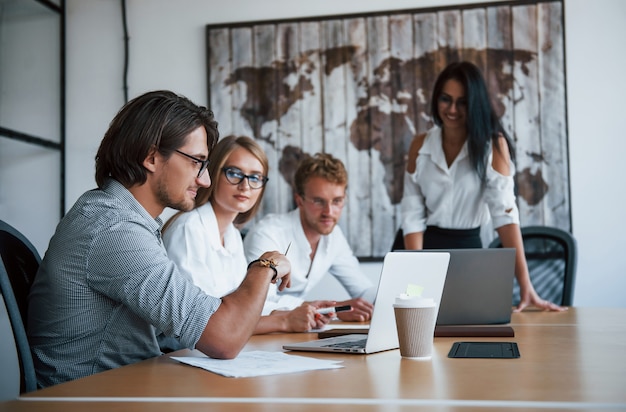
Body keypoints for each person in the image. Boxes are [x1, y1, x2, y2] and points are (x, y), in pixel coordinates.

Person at [27, 90, 291, 388]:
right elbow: (224, 337)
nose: (205, 180)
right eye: (197, 162)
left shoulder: (126, 220)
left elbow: (177, 328)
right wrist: (265, 265)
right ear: (151, 157)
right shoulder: (114, 229)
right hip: (89, 400)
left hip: (122, 389)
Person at [400, 61, 565, 312]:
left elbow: (505, 216)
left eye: (462, 102)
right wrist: (418, 274)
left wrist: (525, 284)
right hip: (420, 248)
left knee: (470, 324)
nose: (452, 109)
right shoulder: (420, 145)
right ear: (436, 99)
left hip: (467, 252)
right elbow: (412, 215)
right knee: (414, 325)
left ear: (474, 104)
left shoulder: (493, 145)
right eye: (446, 99)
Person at [162, 136, 335, 333]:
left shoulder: (232, 235)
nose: (245, 186)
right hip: (177, 355)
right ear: (213, 173)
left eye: (255, 177)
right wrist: (284, 321)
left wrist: (306, 307)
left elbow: (245, 307)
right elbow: (207, 324)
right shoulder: (188, 230)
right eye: (234, 173)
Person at [243, 153, 375, 322]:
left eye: (337, 201)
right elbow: (261, 304)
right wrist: (332, 309)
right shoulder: (268, 234)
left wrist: (395, 300)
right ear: (299, 200)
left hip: (298, 330)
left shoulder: (334, 237)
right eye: (319, 201)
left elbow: (364, 290)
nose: (329, 212)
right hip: (257, 334)